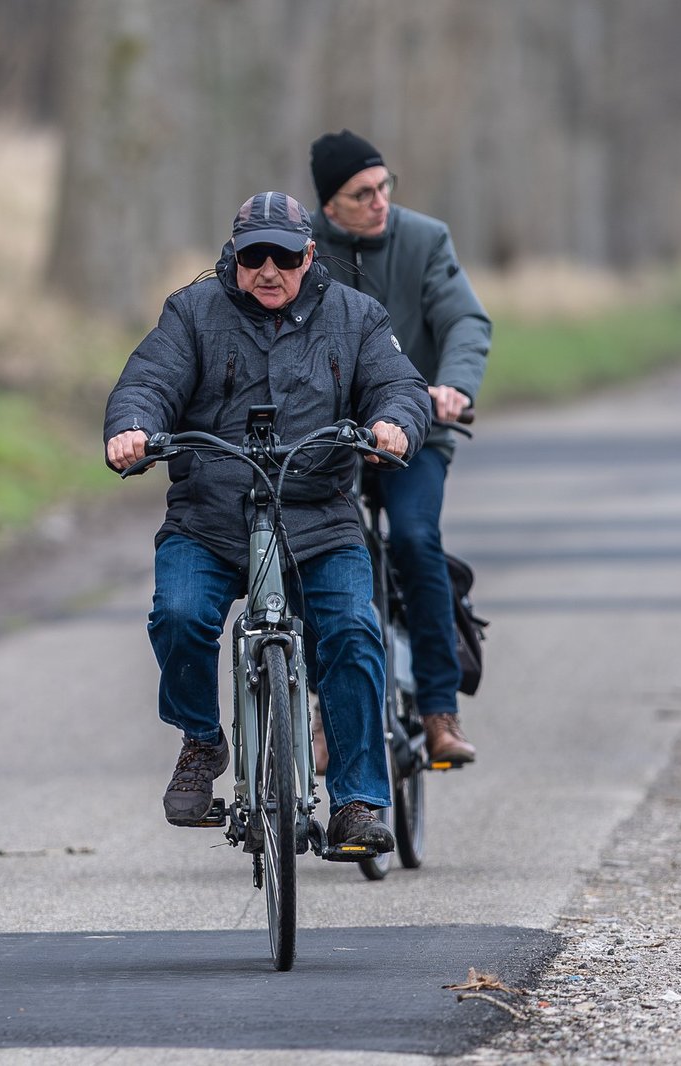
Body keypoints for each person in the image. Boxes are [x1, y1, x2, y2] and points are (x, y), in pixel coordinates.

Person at [104, 191, 431, 852]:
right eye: (254, 257)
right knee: (178, 615)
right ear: (235, 254)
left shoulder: (356, 316)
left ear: (309, 255)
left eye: (284, 257)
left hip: (318, 518)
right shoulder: (192, 312)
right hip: (210, 518)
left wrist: (394, 423)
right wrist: (133, 426)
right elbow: (148, 381)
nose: (269, 271)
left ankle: (357, 802)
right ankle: (202, 741)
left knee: (352, 630)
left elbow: (398, 385)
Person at [308, 130, 491, 767]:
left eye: (384, 186)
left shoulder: (425, 239)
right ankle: (324, 708)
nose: (380, 201)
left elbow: (464, 319)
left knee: (415, 538)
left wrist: (454, 386)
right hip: (329, 439)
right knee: (322, 554)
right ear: (329, 206)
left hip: (417, 430)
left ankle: (439, 710)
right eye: (362, 194)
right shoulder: (301, 252)